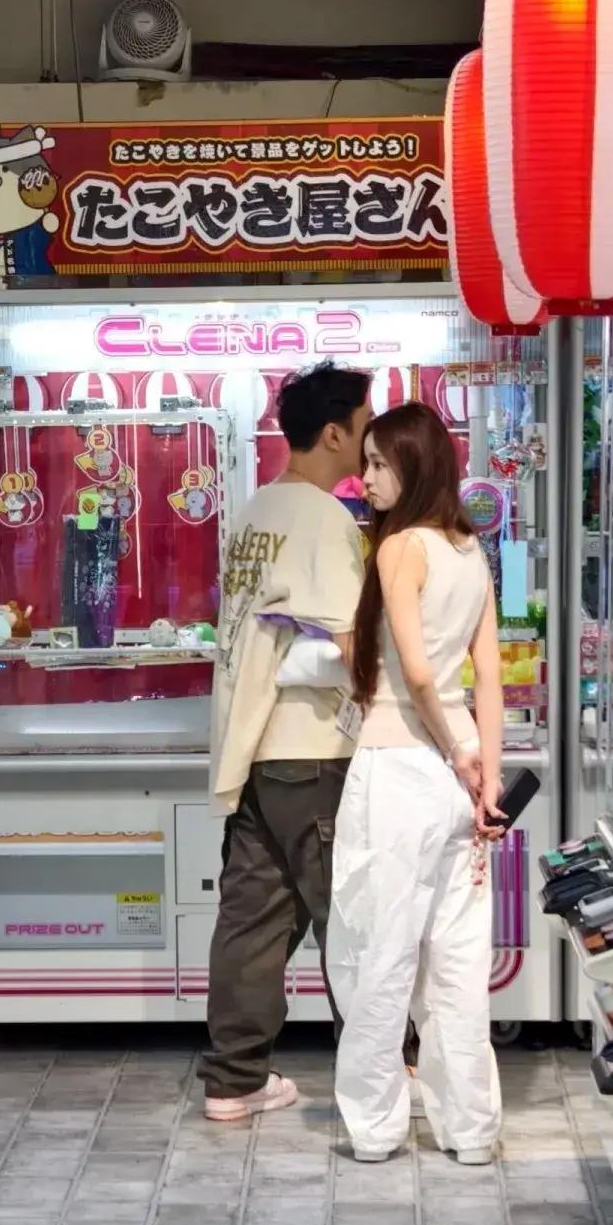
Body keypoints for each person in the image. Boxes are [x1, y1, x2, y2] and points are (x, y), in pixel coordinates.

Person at [327, 401, 505, 1164]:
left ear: (413, 465)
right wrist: (486, 774)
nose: (364, 478)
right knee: (458, 961)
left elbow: (418, 671)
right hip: (459, 772)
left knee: (379, 950)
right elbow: (488, 677)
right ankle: (471, 1128)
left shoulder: (400, 548)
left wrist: (456, 753)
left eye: (377, 463)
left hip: (400, 764)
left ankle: (376, 1125)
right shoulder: (469, 549)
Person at [200, 361, 373, 1121]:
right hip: (316, 749)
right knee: (353, 919)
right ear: (335, 433)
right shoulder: (324, 519)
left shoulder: (254, 509)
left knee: (252, 918)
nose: (370, 442)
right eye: (366, 426)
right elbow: (347, 640)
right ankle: (382, 1076)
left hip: (255, 747)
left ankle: (234, 1079)